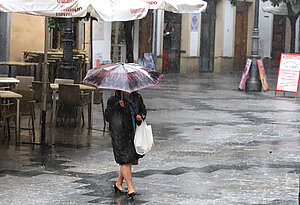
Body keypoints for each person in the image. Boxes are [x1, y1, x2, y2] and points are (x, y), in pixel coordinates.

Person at [105, 90, 147, 199]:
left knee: (129, 159)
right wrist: (118, 107)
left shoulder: (137, 97)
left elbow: (143, 111)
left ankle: (118, 184)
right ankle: (130, 188)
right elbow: (108, 117)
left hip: (132, 132)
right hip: (118, 132)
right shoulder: (114, 100)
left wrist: (140, 116)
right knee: (124, 160)